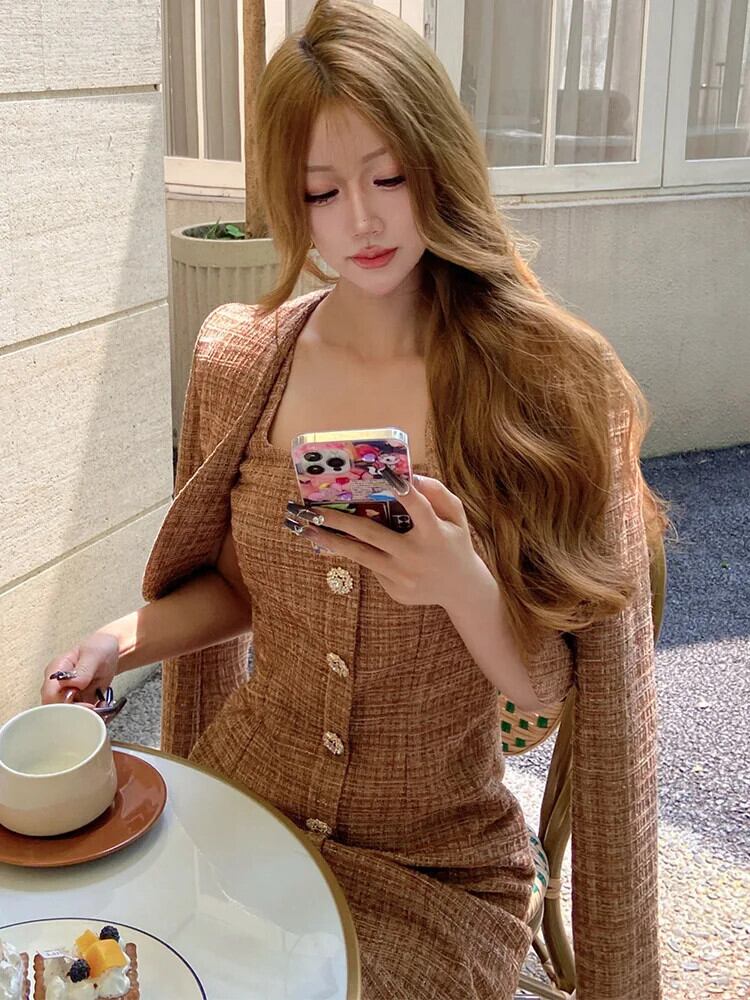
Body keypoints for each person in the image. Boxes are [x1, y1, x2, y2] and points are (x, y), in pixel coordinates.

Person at [41, 1, 669, 997]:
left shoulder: (539, 381)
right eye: (322, 191)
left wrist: (460, 582)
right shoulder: (245, 361)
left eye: (389, 177)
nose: (361, 222)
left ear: (439, 164)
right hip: (243, 807)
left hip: (434, 866)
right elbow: (238, 588)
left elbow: (554, 685)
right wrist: (117, 642)